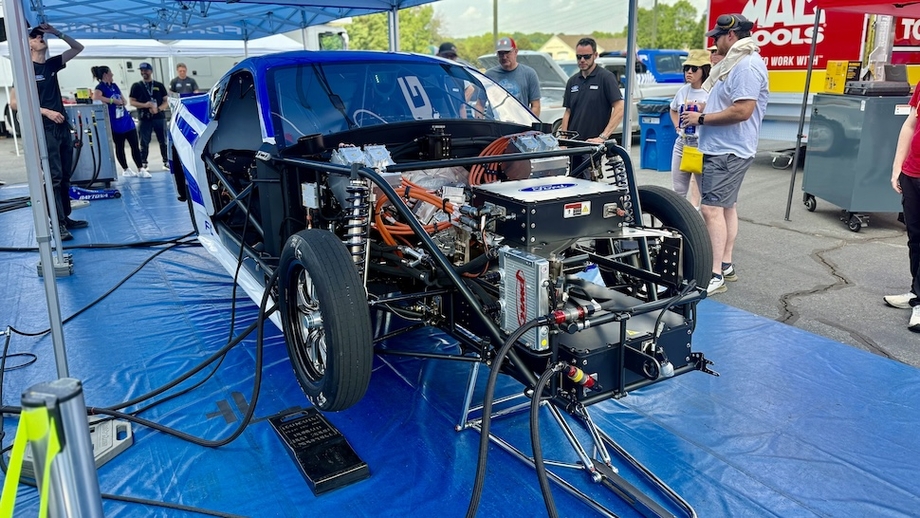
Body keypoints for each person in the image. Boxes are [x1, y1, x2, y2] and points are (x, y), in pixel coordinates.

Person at [681, 13, 769, 295]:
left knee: (711, 209)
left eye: (716, 37)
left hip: (728, 150)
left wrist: (701, 120)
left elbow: (742, 111)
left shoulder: (746, 66)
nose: (714, 42)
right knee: (726, 207)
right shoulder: (735, 63)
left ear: (730, 36)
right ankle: (726, 264)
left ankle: (714, 272)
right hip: (724, 148)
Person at [26, 23, 85, 241]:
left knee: (66, 176)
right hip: (46, 128)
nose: (40, 38)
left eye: (41, 36)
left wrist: (56, 32)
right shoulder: (26, 70)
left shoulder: (51, 65)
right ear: (29, 45)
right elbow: (16, 104)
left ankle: (65, 217)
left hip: (62, 127)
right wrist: (46, 112)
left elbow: (78, 48)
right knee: (54, 177)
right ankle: (57, 224)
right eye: (35, 37)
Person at [887, 82, 920, 332]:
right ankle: (915, 292)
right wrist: (898, 166)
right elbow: (910, 124)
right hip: (912, 173)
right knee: (915, 238)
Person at [559, 37, 624, 146]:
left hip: (593, 145)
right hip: (572, 143)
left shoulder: (606, 78)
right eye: (579, 57)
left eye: (586, 56)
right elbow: (568, 112)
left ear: (595, 55)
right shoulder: (572, 81)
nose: (582, 60)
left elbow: (620, 107)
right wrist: (563, 140)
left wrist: (603, 136)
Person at [669, 49, 711, 209]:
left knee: (705, 191)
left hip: (702, 145)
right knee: (678, 190)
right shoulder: (683, 90)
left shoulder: (710, 92)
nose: (689, 72)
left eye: (694, 68)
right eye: (687, 68)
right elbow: (672, 109)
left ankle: (703, 227)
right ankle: (676, 224)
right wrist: (676, 125)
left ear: (704, 70)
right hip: (683, 143)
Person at [92, 66, 147, 179]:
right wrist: (112, 101)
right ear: (105, 74)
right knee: (120, 146)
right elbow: (95, 97)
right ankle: (125, 169)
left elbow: (123, 99)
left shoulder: (114, 85)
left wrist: (122, 101)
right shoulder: (100, 87)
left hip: (125, 119)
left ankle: (140, 168)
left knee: (134, 145)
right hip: (114, 121)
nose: (112, 75)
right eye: (110, 73)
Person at [484, 37, 541, 117]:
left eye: (507, 52)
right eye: (501, 53)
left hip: (519, 124)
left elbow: (536, 105)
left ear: (516, 52)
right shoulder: (489, 75)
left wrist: (530, 124)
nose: (504, 57)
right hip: (494, 124)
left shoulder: (529, 74)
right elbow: (480, 103)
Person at [130, 62, 168, 176]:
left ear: (151, 71)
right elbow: (132, 101)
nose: (143, 72)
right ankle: (143, 163)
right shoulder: (136, 86)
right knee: (144, 142)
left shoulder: (159, 85)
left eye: (145, 70)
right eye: (141, 70)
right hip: (144, 117)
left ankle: (166, 161)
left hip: (159, 117)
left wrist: (159, 108)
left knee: (163, 141)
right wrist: (145, 105)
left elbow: (166, 100)